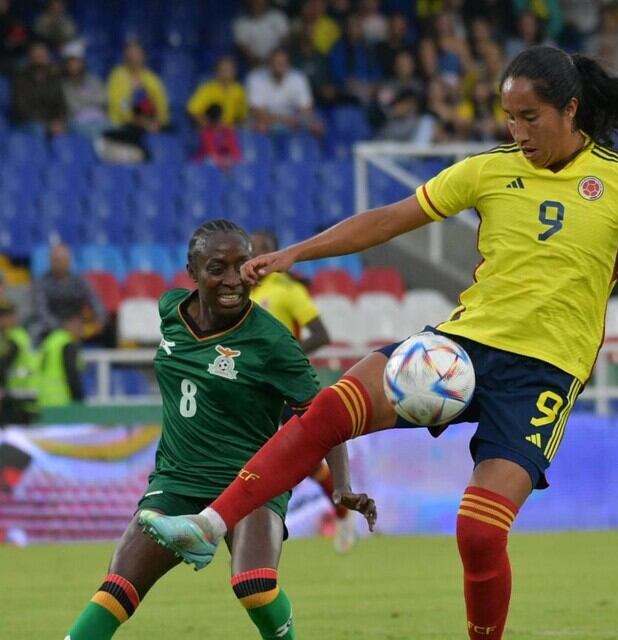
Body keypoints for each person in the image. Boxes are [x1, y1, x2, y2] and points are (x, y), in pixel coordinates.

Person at [139, 46, 618, 640]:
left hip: (542, 376)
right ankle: (209, 524)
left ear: (570, 109)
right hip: (460, 348)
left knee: (479, 533)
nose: (517, 132)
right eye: (508, 117)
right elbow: (389, 219)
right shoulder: (487, 171)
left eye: (529, 117)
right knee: (332, 409)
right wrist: (295, 254)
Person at [65, 220, 376, 639]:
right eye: (217, 268)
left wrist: (341, 486)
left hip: (252, 480)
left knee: (254, 585)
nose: (232, 280)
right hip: (177, 480)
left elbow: (325, 415)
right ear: (192, 272)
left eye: (241, 266)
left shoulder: (271, 341)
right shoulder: (170, 311)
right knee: (118, 586)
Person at [249, 230, 356, 553]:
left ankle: (342, 511)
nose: (256, 254)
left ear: (273, 253)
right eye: (252, 248)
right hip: (251, 387)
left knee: (305, 457)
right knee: (255, 458)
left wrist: (286, 357)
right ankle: (247, 536)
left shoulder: (288, 290)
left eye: (263, 248)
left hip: (284, 386)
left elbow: (321, 334)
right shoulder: (241, 292)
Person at [32, 244, 106, 342]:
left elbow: (95, 300)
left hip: (77, 324)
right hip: (51, 327)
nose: (60, 264)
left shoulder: (80, 281)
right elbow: (42, 312)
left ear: (69, 261)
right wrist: (63, 327)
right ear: (50, 261)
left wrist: (99, 319)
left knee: (108, 329)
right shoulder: (41, 283)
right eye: (56, 260)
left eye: (63, 260)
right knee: (36, 331)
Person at [246, 47, 323, 136]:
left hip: (293, 120)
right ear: (269, 64)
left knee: (316, 125)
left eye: (283, 63)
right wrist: (284, 120)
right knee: (260, 125)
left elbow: (306, 109)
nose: (280, 66)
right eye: (276, 63)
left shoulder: (298, 78)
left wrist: (298, 120)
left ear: (288, 64)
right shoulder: (255, 78)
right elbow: (257, 111)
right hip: (265, 120)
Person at [106, 41, 169, 131]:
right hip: (123, 126)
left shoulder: (151, 78)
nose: (134, 58)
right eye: (130, 54)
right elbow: (121, 104)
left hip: (151, 124)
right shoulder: (118, 76)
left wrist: (158, 122)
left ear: (144, 56)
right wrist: (137, 121)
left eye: (137, 54)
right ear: (125, 57)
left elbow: (161, 104)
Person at [11, 41, 67, 134]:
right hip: (29, 121)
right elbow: (20, 107)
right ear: (30, 58)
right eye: (36, 56)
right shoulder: (21, 78)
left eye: (42, 56)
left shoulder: (54, 77)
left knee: (69, 127)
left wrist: (59, 120)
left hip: (52, 120)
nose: (39, 60)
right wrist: (46, 123)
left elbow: (61, 103)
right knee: (38, 129)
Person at [61, 40, 109, 139]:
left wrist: (83, 100)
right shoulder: (64, 85)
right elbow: (72, 106)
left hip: (100, 119)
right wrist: (91, 100)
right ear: (66, 65)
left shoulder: (93, 80)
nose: (74, 65)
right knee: (94, 134)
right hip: (77, 122)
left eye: (77, 61)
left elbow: (103, 99)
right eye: (71, 62)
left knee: (116, 131)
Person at [0, 301, 38, 424]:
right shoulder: (8, 337)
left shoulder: (15, 337)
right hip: (16, 396)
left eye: (4, 317)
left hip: (20, 397)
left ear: (13, 318)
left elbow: (3, 364)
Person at [38, 311, 85, 408]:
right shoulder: (66, 343)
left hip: (44, 397)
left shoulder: (51, 340)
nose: (81, 331)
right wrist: (79, 400)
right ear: (69, 325)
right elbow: (71, 373)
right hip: (61, 399)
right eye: (79, 326)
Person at [187, 55, 248, 128]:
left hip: (231, 130)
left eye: (230, 70)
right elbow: (193, 111)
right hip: (211, 129)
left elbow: (242, 116)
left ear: (235, 72)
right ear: (216, 72)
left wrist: (234, 127)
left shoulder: (239, 90)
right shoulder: (207, 88)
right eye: (223, 70)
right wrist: (209, 126)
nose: (227, 73)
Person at [233, 0, 290, 69]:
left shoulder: (278, 17)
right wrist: (263, 62)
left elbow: (284, 42)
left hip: (279, 65)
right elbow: (244, 50)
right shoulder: (241, 23)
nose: (258, 2)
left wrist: (274, 59)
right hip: (254, 66)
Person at [193, 104, 242, 170]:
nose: (221, 121)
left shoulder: (227, 132)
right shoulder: (206, 134)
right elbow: (211, 153)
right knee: (210, 160)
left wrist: (231, 160)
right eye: (219, 119)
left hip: (225, 163)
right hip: (206, 165)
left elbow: (236, 153)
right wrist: (223, 162)